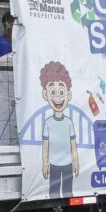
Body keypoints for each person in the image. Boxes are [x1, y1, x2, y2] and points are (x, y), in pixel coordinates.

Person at [39, 61, 79, 198]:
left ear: (68, 95)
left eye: (61, 91)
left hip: (68, 163)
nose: (57, 97)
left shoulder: (68, 122)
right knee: (53, 193)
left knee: (68, 192)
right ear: (46, 95)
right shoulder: (48, 123)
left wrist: (76, 162)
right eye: (53, 92)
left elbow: (73, 145)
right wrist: (45, 164)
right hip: (54, 164)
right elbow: (45, 146)